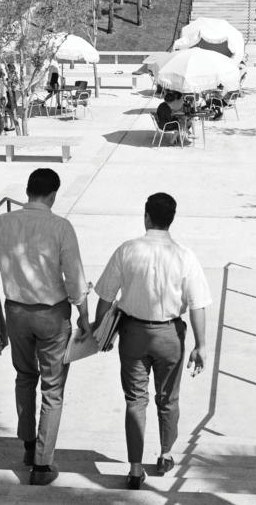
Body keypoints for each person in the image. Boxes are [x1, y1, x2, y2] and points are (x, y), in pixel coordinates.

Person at [0, 168, 91, 486]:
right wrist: (83, 315)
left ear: (28, 191)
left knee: (25, 377)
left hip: (15, 312)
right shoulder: (61, 227)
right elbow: (74, 278)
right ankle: (42, 464)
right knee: (52, 388)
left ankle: (28, 446)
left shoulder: (2, 223)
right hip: (52, 315)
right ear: (53, 195)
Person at [93, 193, 211, 490]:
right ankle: (166, 454)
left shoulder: (127, 250)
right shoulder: (185, 255)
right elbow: (197, 304)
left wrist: (98, 330)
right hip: (171, 336)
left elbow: (106, 296)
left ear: (146, 216)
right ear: (172, 219)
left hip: (133, 335)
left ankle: (134, 468)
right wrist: (200, 345)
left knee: (136, 400)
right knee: (168, 398)